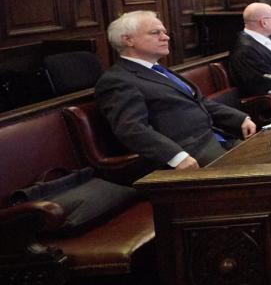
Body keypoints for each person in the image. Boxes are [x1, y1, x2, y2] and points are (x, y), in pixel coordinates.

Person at [95, 11, 255, 169]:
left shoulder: (159, 69)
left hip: (218, 137)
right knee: (257, 173)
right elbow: (132, 129)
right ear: (128, 40)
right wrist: (176, 157)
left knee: (267, 154)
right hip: (191, 153)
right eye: (155, 33)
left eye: (164, 32)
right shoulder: (117, 80)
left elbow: (199, 101)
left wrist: (240, 119)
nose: (166, 37)